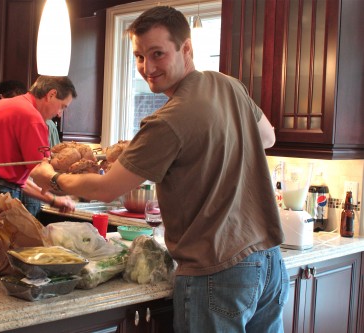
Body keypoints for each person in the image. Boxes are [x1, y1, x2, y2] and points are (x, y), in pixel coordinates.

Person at [30, 6, 288, 333]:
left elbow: (107, 188)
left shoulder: (168, 120)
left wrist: (51, 177)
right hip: (269, 263)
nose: (147, 67)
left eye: (157, 54)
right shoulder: (228, 85)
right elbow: (266, 137)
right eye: (139, 56)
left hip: (217, 272)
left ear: (187, 49)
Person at [0, 75, 77, 235]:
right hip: (1, 198)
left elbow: (14, 177)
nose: (59, 114)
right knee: (8, 258)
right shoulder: (33, 118)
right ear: (51, 95)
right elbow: (42, 175)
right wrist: (58, 198)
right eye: (62, 106)